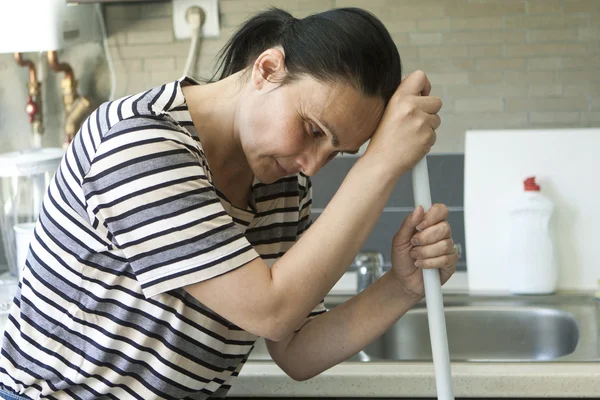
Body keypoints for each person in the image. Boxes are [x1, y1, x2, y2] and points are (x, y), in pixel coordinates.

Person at [0, 6, 456, 400]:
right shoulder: (140, 143)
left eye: (337, 152)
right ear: (266, 69)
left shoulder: (281, 182)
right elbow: (271, 310)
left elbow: (295, 348)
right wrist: (380, 164)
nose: (314, 166)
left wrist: (403, 285)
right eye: (315, 130)